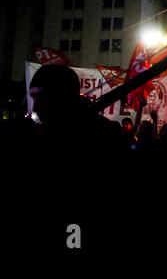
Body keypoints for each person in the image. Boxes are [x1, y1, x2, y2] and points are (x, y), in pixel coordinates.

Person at [9, 64, 137, 255]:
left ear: (63, 96)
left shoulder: (102, 136)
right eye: (34, 97)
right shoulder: (43, 135)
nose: (35, 106)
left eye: (43, 97)